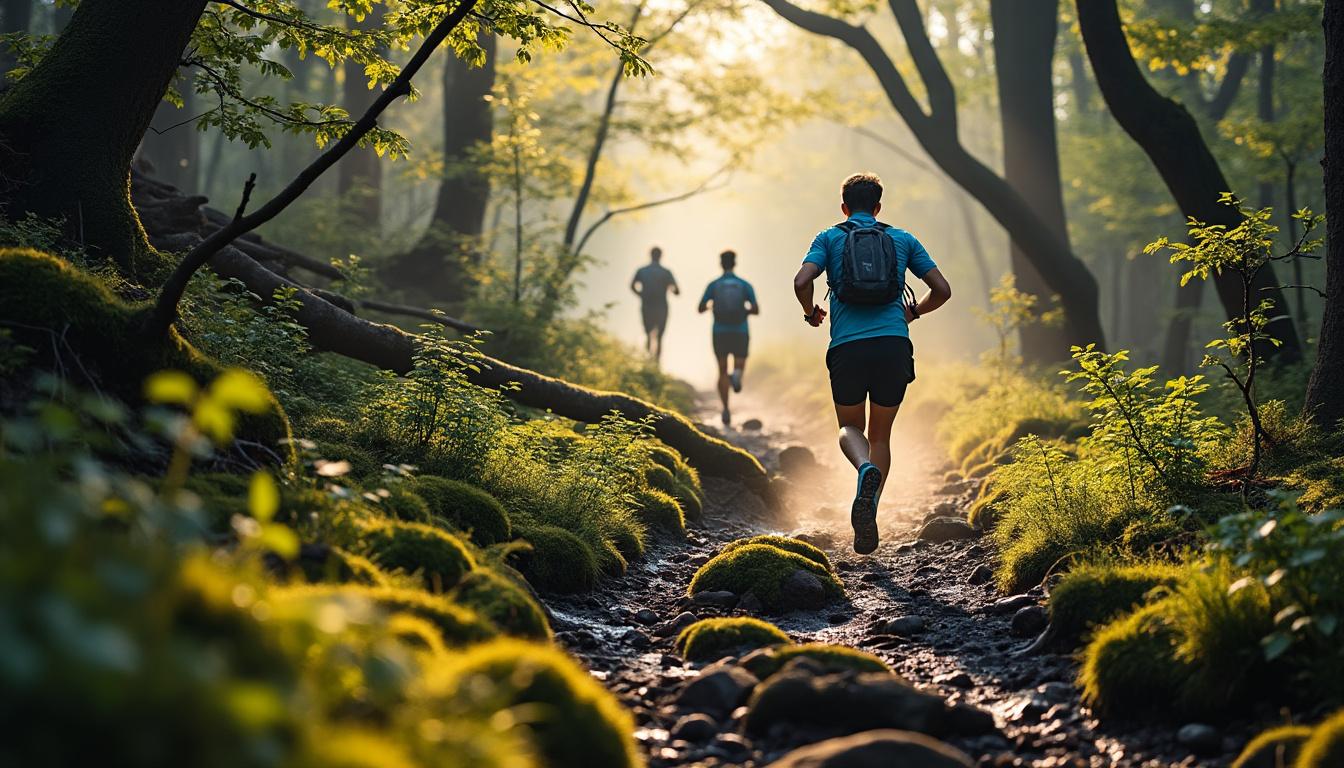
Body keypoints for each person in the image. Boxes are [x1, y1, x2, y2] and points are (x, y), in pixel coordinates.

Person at [793, 172, 952, 554]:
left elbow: (802, 281)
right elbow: (943, 291)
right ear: (879, 207)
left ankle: (863, 467)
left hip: (847, 347)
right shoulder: (902, 239)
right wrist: (912, 313)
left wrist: (811, 312)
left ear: (844, 207)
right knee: (882, 435)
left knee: (851, 426)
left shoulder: (829, 237)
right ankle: (872, 507)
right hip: (893, 344)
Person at [699, 250, 758, 426]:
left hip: (720, 332)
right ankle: (737, 376)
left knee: (722, 370)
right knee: (739, 364)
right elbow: (756, 309)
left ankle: (725, 409)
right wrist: (745, 310)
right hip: (740, 331)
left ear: (721, 264)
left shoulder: (714, 285)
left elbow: (700, 307)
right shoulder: (744, 285)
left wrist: (711, 306)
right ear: (735, 263)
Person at [630, 246, 680, 361]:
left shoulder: (642, 271)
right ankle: (656, 363)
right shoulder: (666, 272)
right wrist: (670, 289)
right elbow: (677, 291)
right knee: (659, 337)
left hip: (647, 306)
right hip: (661, 308)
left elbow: (632, 286)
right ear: (661, 256)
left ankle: (647, 360)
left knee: (648, 334)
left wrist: (641, 295)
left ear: (650, 255)